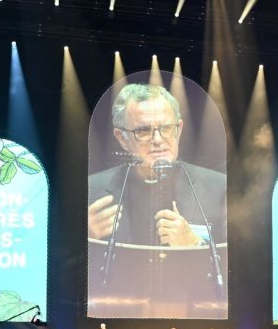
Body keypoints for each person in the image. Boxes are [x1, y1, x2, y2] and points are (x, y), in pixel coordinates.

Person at [87, 83, 227, 314]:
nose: (158, 139)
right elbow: (62, 274)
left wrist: (194, 246)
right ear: (122, 138)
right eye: (143, 131)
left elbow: (243, 276)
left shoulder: (217, 188)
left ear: (179, 130)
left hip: (196, 317)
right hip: (116, 318)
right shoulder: (93, 190)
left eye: (166, 128)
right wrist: (87, 240)